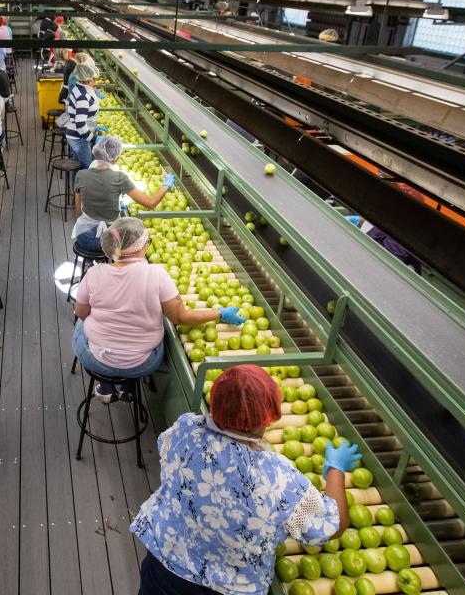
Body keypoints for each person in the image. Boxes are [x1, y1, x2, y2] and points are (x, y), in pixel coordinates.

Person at [131, 365, 358, 595]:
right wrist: (336, 470)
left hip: (164, 565)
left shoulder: (186, 428)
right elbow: (332, 526)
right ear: (267, 418)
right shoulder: (277, 477)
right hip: (225, 587)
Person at [73, 218, 245, 402]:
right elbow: (180, 317)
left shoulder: (94, 274)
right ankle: (128, 385)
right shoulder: (157, 274)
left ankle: (106, 387)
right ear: (140, 247)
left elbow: (81, 312)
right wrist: (219, 313)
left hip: (96, 359)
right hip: (141, 363)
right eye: (147, 241)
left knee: (82, 323)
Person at [73, 136, 176, 252]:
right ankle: (112, 267)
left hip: (83, 237)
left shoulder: (80, 175)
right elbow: (150, 203)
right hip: (109, 242)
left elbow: (78, 211)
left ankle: (88, 263)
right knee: (138, 238)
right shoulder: (119, 178)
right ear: (115, 158)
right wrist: (165, 185)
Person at [65, 63, 101, 169]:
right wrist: (94, 138)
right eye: (95, 79)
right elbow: (80, 124)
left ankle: (74, 186)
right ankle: (77, 186)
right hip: (79, 138)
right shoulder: (83, 97)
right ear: (89, 79)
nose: (96, 81)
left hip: (75, 135)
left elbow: (80, 116)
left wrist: (93, 126)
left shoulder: (78, 88)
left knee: (77, 170)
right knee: (86, 170)